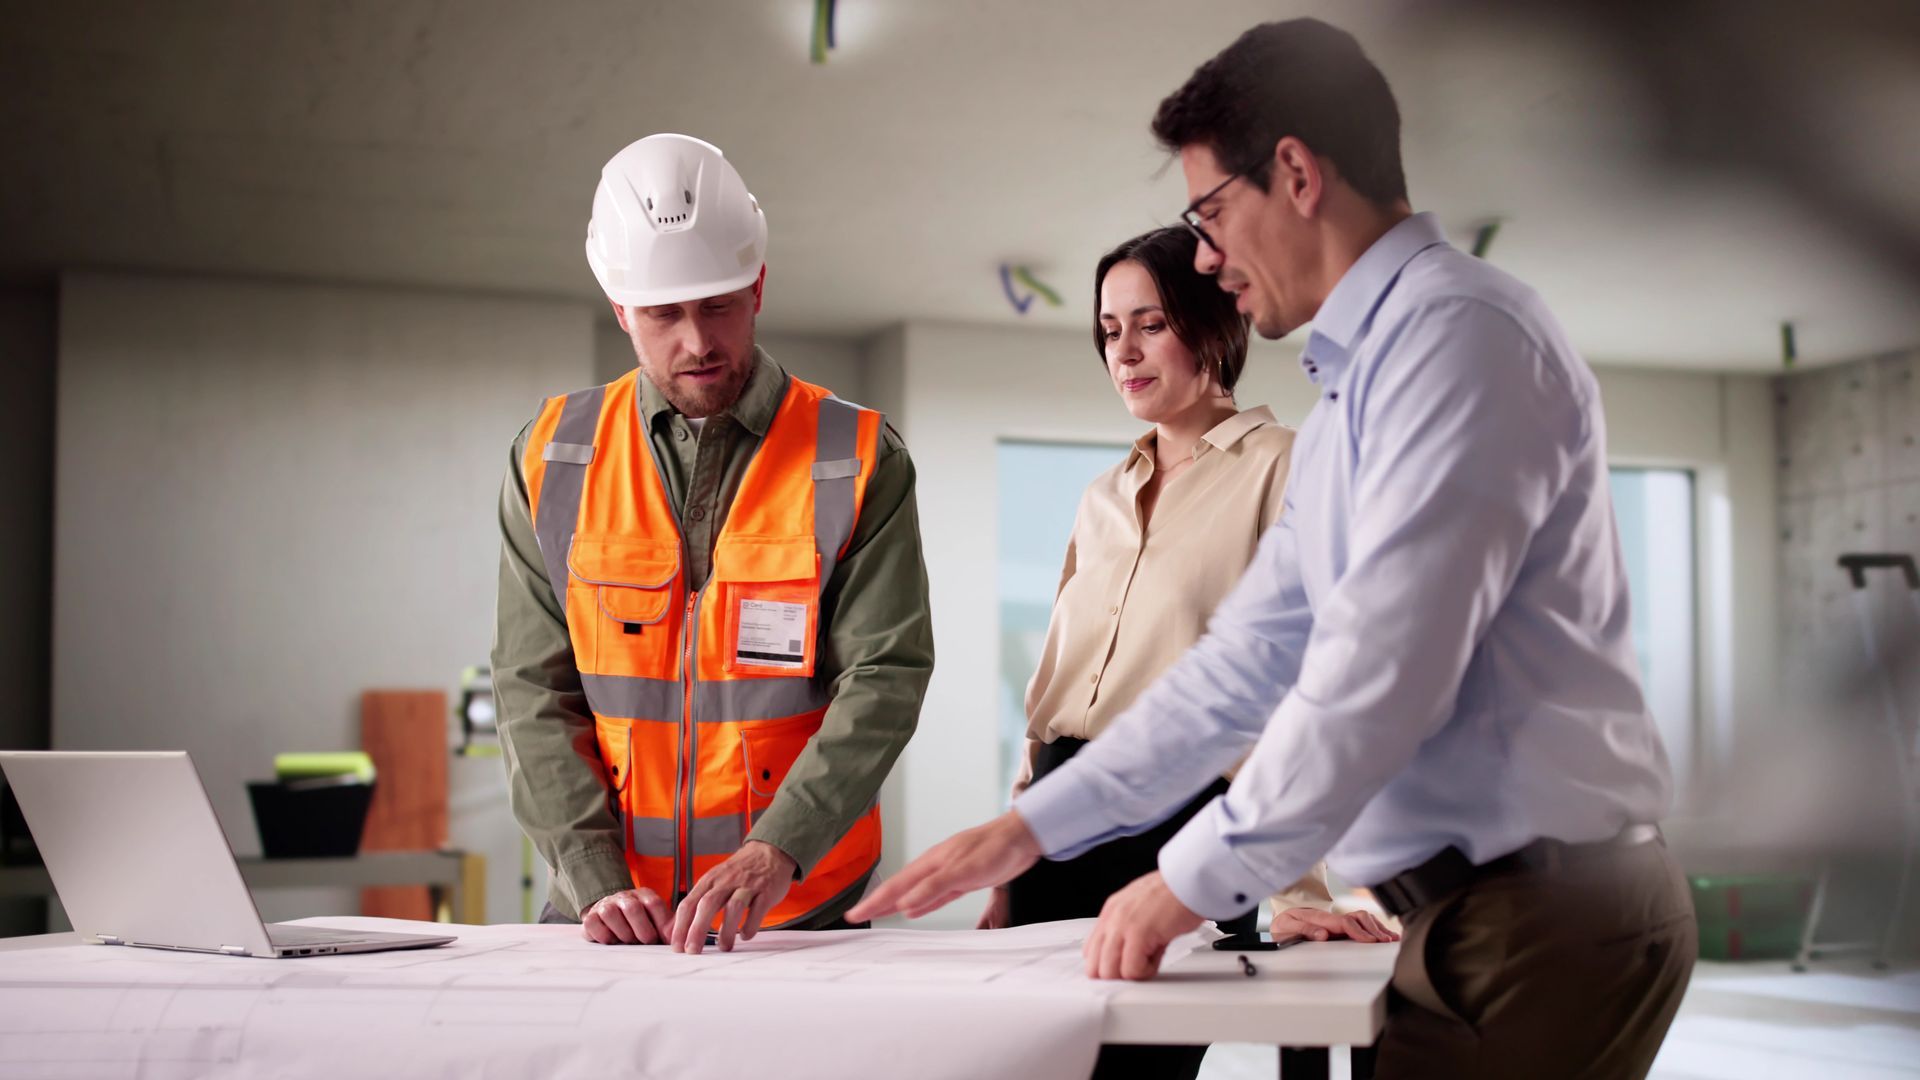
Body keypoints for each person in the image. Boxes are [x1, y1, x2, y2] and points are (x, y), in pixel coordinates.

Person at [852, 20, 1694, 1079]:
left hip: (1543, 912)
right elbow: (1246, 663)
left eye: (1209, 214)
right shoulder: (1358, 391)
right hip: (1479, 911)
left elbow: (1382, 670)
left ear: (1294, 173)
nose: (1205, 257)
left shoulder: (1459, 341)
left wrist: (1189, 879)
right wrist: (1028, 831)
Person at [493, 133, 933, 954]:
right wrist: (593, 873)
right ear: (622, 310)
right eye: (664, 313)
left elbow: (885, 677)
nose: (697, 341)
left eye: (720, 304)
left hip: (798, 912)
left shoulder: (858, 456)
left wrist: (781, 846)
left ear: (758, 286)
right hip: (608, 912)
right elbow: (530, 687)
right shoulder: (551, 457)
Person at [981, 224, 1396, 1080]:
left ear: (1213, 325)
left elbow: (1306, 686)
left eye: (1150, 324)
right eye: (1108, 330)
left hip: (1182, 828)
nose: (1123, 352)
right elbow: (1055, 685)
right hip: (1061, 822)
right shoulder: (1102, 496)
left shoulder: (1283, 467)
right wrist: (1014, 844)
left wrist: (1292, 890)